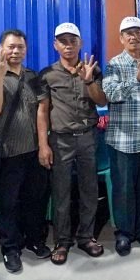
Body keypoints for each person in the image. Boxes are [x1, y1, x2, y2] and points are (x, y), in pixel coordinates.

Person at [0, 29, 51, 273]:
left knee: (34, 200)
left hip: (33, 152)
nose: (15, 51)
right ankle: (10, 249)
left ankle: (34, 239)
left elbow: (42, 111)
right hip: (7, 155)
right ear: (1, 48)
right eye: (10, 47)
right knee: (8, 205)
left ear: (26, 49)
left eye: (20, 47)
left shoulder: (33, 77)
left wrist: (44, 146)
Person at [37, 23, 108, 265]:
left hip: (87, 137)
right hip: (60, 140)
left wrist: (88, 81)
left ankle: (86, 237)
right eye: (63, 41)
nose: (68, 45)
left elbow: (102, 99)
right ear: (55, 45)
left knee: (90, 189)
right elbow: (43, 110)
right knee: (62, 191)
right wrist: (43, 144)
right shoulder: (47, 74)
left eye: (72, 40)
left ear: (80, 43)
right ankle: (62, 241)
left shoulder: (93, 70)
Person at [102, 16, 140, 256]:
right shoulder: (114, 64)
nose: (133, 36)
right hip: (123, 139)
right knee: (123, 189)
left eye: (138, 32)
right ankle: (124, 234)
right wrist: (135, 78)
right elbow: (111, 94)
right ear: (121, 38)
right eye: (128, 33)